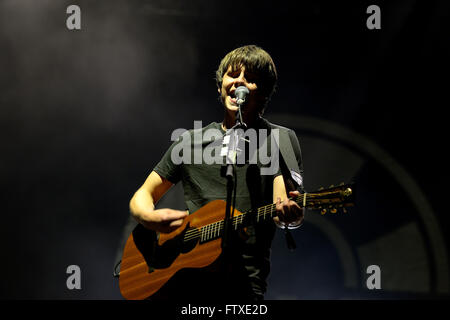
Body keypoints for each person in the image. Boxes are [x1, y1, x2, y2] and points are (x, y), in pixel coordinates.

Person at [128, 45, 304, 301]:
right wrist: (148, 217)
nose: (239, 82)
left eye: (251, 78)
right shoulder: (189, 141)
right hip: (180, 282)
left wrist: (290, 214)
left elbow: (284, 210)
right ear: (221, 83)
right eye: (232, 74)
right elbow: (143, 194)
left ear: (264, 92)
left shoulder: (280, 140)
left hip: (243, 287)